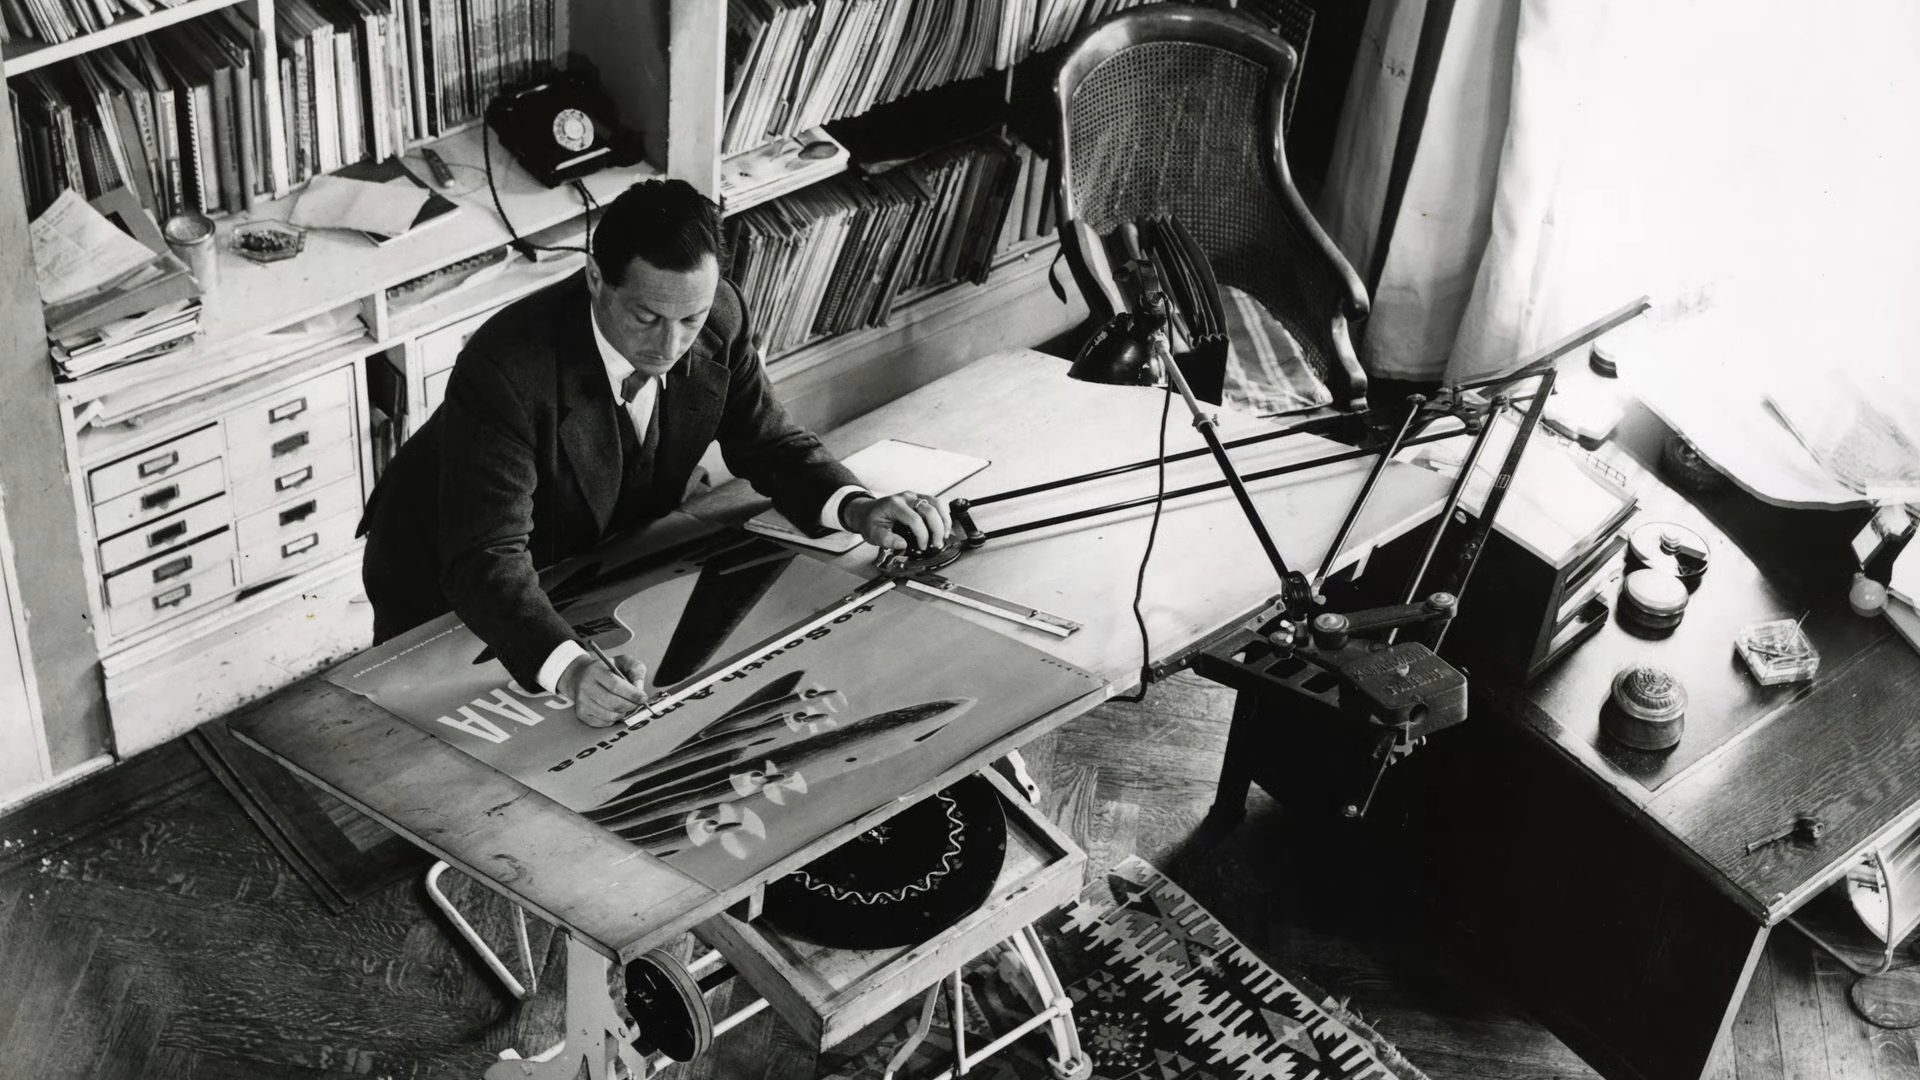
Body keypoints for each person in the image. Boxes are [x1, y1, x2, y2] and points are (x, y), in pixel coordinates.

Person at [359, 178, 948, 726]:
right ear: (595, 279)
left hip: (581, 551)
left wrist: (857, 509)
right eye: (646, 317)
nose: (670, 344)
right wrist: (567, 669)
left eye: (689, 318)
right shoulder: (506, 366)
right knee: (432, 747)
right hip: (444, 569)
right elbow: (486, 557)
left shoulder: (719, 314)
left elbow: (767, 441)